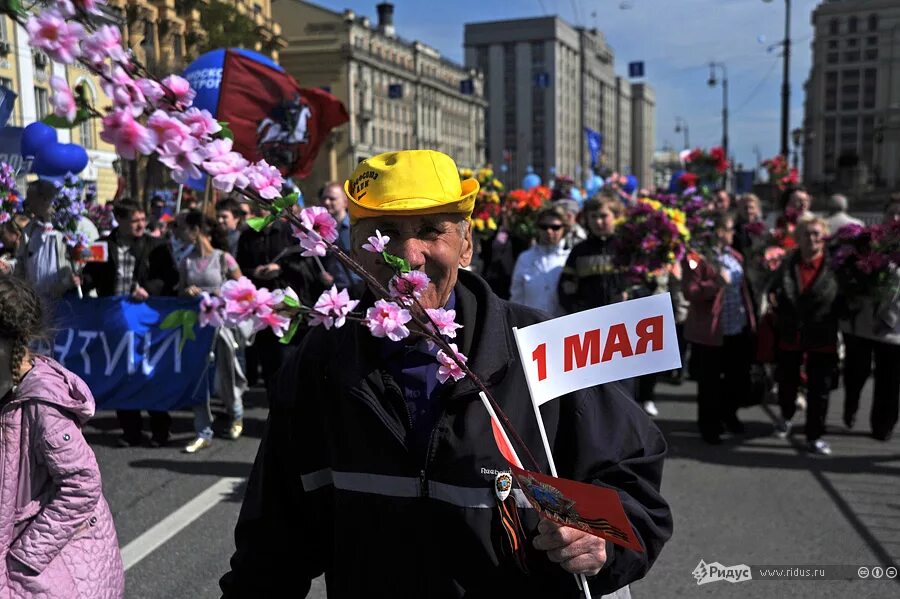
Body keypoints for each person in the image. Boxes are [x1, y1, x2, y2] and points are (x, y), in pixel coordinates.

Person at [220, 150, 672, 598]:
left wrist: (599, 538)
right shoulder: (318, 363)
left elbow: (633, 486)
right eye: (383, 233)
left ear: (466, 243)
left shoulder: (541, 348)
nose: (407, 256)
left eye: (431, 231)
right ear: (352, 248)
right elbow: (272, 544)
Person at [0, 276, 124, 598]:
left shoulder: (42, 404)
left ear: (10, 342)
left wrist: (27, 556)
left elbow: (82, 485)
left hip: (43, 574)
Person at [82, 199, 179, 447]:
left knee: (148, 372)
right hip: (114, 319)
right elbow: (90, 277)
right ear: (120, 221)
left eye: (142, 219)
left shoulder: (155, 245)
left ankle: (160, 428)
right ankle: (130, 430)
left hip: (145, 319)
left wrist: (148, 289)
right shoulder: (102, 246)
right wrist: (81, 276)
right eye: (134, 220)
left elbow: (169, 277)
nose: (140, 224)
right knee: (121, 374)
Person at [173, 211, 248, 453]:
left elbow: (245, 288)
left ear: (196, 230)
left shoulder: (224, 258)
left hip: (222, 326)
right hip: (197, 328)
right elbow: (180, 291)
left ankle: (236, 415)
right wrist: (187, 292)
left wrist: (223, 293)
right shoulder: (186, 262)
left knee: (227, 372)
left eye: (182, 228)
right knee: (200, 377)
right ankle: (203, 429)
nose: (177, 232)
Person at [683, 212, 756, 444]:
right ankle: (709, 426)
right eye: (728, 229)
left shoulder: (734, 255)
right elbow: (691, 291)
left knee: (736, 377)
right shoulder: (696, 256)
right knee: (710, 382)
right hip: (711, 331)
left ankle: (729, 415)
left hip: (737, 326)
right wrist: (715, 284)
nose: (732, 234)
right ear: (716, 231)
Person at [768, 216, 838, 455]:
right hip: (791, 332)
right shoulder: (788, 262)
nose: (812, 238)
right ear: (798, 238)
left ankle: (815, 435)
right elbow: (773, 287)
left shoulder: (835, 264)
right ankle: (786, 416)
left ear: (824, 237)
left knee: (820, 389)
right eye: (807, 234)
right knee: (787, 382)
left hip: (822, 334)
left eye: (817, 233)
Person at [841, 197, 900, 441]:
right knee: (857, 371)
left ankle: (882, 425)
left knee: (889, 380)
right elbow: (848, 272)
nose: (896, 219)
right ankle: (851, 403)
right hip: (863, 321)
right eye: (892, 213)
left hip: (894, 326)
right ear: (883, 217)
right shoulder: (868, 242)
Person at [235, 203, 293, 392]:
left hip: (286, 303)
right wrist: (255, 272)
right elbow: (240, 269)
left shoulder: (289, 232)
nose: (262, 209)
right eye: (257, 204)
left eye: (266, 204)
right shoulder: (247, 235)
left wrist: (280, 269)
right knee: (267, 360)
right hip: (259, 306)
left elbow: (302, 263)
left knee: (286, 359)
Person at [558, 195, 625, 314]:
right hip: (591, 322)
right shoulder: (579, 251)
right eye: (593, 216)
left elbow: (648, 284)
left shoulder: (628, 248)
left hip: (627, 317)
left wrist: (631, 295)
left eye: (604, 216)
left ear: (616, 217)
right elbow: (564, 289)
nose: (598, 222)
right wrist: (578, 311)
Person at [14, 180, 79, 300]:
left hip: (64, 299)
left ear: (44, 199)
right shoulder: (29, 230)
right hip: (36, 301)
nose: (27, 202)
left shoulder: (68, 227)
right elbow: (20, 263)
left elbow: (83, 261)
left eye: (30, 198)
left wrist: (66, 284)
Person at [510, 205, 571, 317]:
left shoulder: (569, 257)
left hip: (563, 326)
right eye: (544, 227)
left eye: (555, 227)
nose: (549, 231)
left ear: (564, 229)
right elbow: (516, 297)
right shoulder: (525, 258)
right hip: (532, 326)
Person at [314, 181, 363, 295]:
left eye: (332, 199)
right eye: (324, 198)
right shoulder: (318, 230)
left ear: (345, 202)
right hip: (332, 290)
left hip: (356, 290)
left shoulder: (356, 229)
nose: (326, 202)